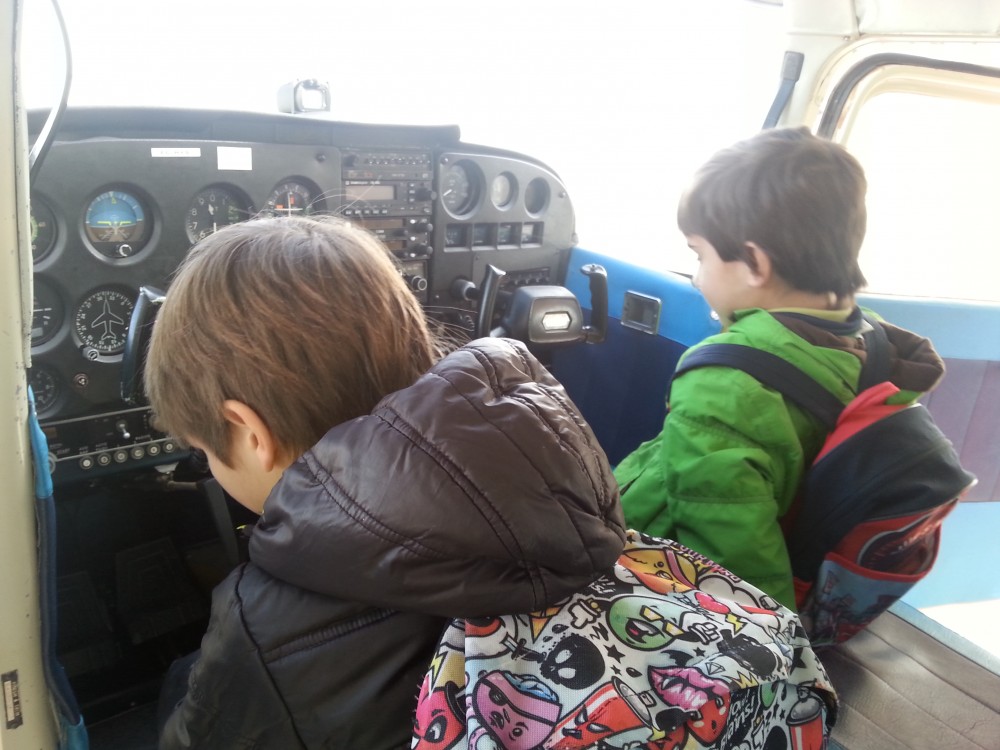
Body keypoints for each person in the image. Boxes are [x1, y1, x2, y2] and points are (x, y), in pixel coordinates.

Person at [144, 215, 626, 749]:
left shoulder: (258, 632)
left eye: (203, 451)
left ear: (250, 432)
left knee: (181, 681)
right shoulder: (577, 492)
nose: (208, 463)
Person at [613, 127, 946, 610]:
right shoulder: (869, 341)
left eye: (700, 256)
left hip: (652, 575)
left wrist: (773, 639)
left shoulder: (725, 384)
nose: (697, 277)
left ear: (754, 262)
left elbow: (729, 557)